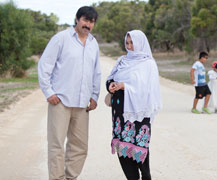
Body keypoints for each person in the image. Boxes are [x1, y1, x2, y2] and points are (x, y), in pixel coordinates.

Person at [38, 6, 100, 180]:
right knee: (57, 144)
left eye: (91, 21)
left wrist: (94, 95)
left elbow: (96, 71)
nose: (88, 24)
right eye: (85, 20)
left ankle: (70, 177)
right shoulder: (61, 38)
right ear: (77, 19)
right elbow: (45, 66)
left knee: (80, 146)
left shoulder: (93, 43)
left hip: (82, 104)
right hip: (61, 102)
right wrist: (49, 92)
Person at [106, 30, 162, 180]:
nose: (130, 46)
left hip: (139, 113)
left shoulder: (148, 64)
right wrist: (111, 85)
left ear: (141, 43)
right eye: (127, 43)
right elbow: (110, 78)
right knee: (122, 148)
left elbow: (148, 89)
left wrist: (125, 86)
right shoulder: (122, 61)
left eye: (133, 43)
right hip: (120, 113)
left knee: (138, 147)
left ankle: (146, 176)